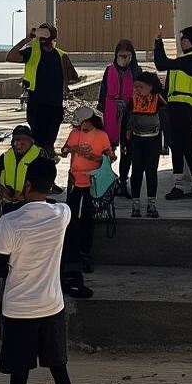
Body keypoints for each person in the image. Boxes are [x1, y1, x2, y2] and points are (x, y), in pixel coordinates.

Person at [0, 155, 80, 384]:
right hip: (52, 307)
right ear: (50, 184)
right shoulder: (62, 214)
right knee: (60, 373)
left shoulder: (9, 222)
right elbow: (51, 201)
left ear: (26, 184)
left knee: (19, 380)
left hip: (17, 311)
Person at [7, 24, 80, 157]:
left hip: (55, 106)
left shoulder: (61, 55)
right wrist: (26, 40)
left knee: (49, 143)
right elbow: (11, 57)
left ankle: (48, 166)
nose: (41, 40)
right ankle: (38, 166)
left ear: (52, 37)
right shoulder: (32, 52)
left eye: (44, 35)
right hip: (36, 105)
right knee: (37, 143)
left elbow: (73, 78)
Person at [154, 24, 192, 200]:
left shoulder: (191, 59)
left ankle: (183, 186)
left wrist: (158, 41)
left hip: (184, 109)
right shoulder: (189, 59)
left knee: (181, 147)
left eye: (184, 38)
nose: (181, 41)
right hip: (181, 109)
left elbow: (161, 63)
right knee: (183, 147)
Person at [62, 105, 115, 269]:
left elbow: (111, 158)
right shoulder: (74, 134)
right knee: (70, 219)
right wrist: (73, 149)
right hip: (75, 181)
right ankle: (72, 254)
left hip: (93, 183)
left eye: (81, 123)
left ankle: (85, 253)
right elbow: (63, 151)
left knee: (87, 219)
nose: (78, 127)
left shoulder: (101, 136)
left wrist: (95, 157)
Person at [121, 71, 169, 219]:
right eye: (135, 87)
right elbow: (125, 121)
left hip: (153, 141)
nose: (137, 90)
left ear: (150, 87)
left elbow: (166, 122)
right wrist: (124, 141)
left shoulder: (158, 100)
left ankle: (151, 204)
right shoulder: (132, 100)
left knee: (151, 172)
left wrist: (166, 143)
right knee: (136, 172)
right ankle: (136, 205)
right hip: (137, 141)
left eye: (140, 87)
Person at [98, 39, 139, 197]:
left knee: (127, 149)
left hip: (129, 113)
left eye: (126, 55)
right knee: (108, 147)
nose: (123, 58)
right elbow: (103, 92)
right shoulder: (109, 70)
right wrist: (100, 114)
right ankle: (107, 180)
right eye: (120, 55)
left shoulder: (135, 71)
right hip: (110, 111)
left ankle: (123, 181)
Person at [0, 124, 41, 218]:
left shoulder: (39, 157)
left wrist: (25, 194)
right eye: (16, 142)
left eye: (22, 143)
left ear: (31, 142)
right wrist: (3, 192)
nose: (18, 145)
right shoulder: (5, 157)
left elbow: (44, 182)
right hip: (9, 203)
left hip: (31, 206)